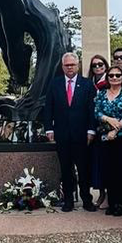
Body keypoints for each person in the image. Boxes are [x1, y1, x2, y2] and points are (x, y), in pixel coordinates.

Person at [43, 52, 97, 212]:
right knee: (66, 169)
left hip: (82, 134)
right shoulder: (55, 84)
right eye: (67, 65)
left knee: (83, 168)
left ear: (78, 65)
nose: (70, 68)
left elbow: (91, 109)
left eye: (72, 65)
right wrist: (49, 128)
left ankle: (87, 199)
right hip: (62, 134)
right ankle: (68, 200)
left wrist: (91, 130)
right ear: (62, 67)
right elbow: (48, 108)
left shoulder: (87, 84)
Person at [94, 64, 122, 216]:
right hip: (105, 137)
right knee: (109, 170)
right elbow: (97, 112)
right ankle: (111, 203)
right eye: (111, 75)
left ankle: (121, 203)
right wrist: (108, 119)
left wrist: (116, 130)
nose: (114, 78)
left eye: (118, 75)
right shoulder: (101, 94)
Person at [87, 54, 110, 207]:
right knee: (97, 163)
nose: (98, 67)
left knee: (109, 162)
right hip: (92, 127)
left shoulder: (110, 81)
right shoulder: (89, 84)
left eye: (100, 64)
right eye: (94, 65)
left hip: (108, 127)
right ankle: (101, 192)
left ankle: (111, 193)